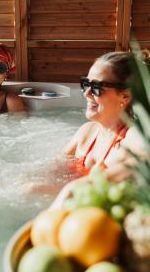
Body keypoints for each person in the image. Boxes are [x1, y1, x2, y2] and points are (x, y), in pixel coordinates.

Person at [50, 50, 146, 209]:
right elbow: (54, 172)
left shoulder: (134, 137)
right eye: (86, 84)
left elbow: (142, 160)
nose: (87, 93)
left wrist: (72, 189)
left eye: (96, 87)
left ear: (125, 96)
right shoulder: (85, 132)